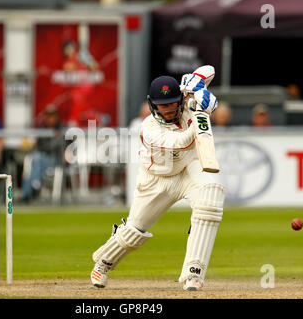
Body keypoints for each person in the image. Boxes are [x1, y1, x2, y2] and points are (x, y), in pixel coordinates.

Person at [90, 74, 225, 291]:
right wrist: (203, 114)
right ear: (152, 105)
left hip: (187, 171)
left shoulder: (190, 105)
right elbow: (181, 142)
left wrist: (203, 93)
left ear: (180, 100)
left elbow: (208, 71)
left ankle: (194, 272)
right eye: (162, 106)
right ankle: (104, 262)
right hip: (156, 181)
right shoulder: (149, 128)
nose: (168, 110)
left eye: (172, 103)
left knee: (211, 196)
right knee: (134, 231)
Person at [21, 105, 66, 202]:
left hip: (57, 160)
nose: (50, 119)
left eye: (52, 116)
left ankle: (33, 187)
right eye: (48, 116)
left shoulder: (63, 128)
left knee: (36, 159)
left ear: (57, 117)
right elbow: (41, 146)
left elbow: (66, 145)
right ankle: (30, 190)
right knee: (33, 160)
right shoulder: (42, 129)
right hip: (42, 159)